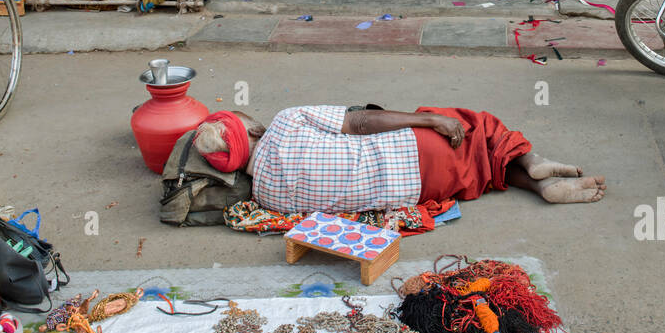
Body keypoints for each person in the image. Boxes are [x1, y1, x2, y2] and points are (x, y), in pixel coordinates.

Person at [191, 107, 606, 213]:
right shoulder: (284, 122)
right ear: (252, 131)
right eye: (244, 120)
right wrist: (427, 118)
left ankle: (539, 184)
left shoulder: (266, 197)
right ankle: (532, 160)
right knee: (477, 127)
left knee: (478, 169)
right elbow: (360, 122)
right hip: (412, 151)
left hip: (417, 192)